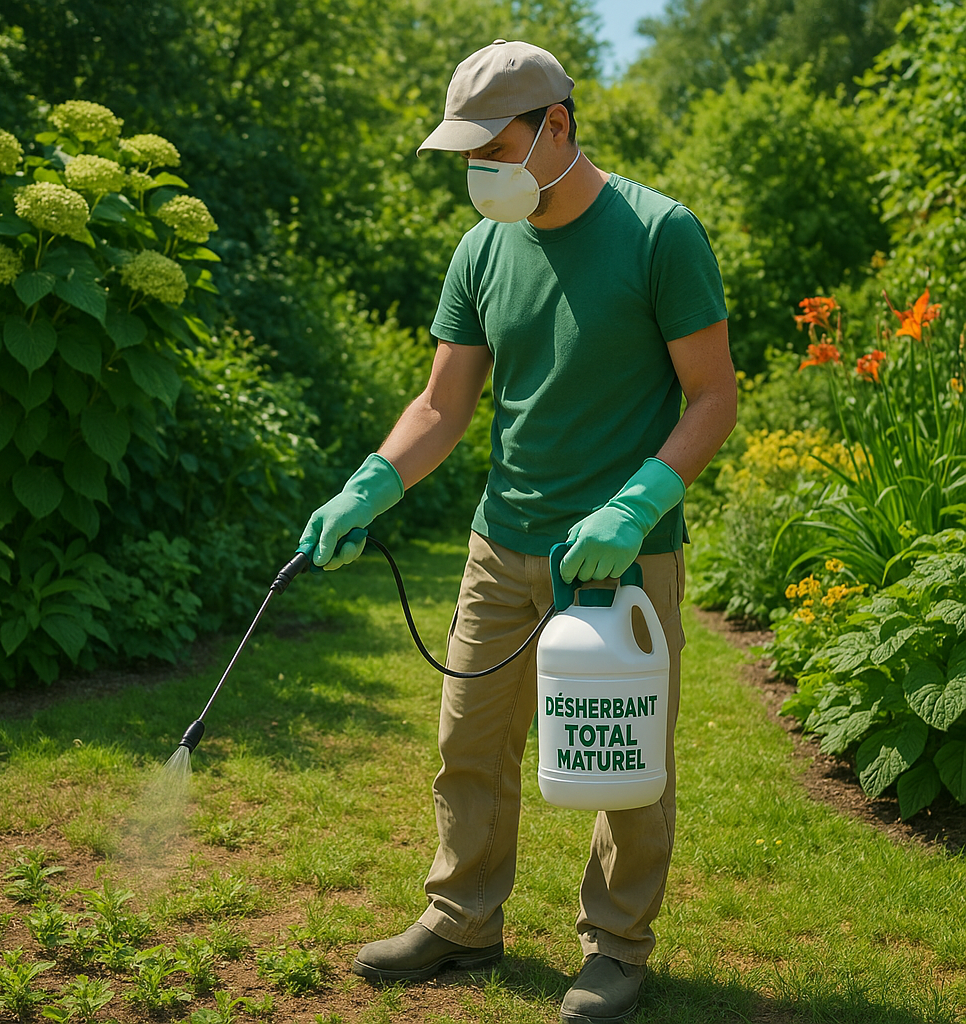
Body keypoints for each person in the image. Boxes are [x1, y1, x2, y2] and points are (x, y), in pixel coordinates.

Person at [298, 38, 736, 1024]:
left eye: (491, 148)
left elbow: (711, 398)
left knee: (623, 761)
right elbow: (442, 405)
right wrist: (368, 485)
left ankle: (617, 948)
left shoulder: (661, 234)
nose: (477, 172)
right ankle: (462, 917)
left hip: (622, 559)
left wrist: (635, 505)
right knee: (469, 743)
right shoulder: (483, 248)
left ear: (558, 128)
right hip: (503, 544)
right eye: (466, 155)